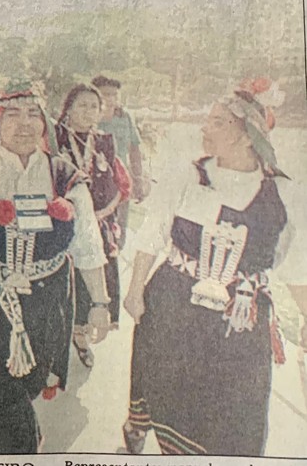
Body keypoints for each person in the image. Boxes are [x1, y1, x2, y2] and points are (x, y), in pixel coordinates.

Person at [122, 78, 307, 455]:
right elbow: (152, 234)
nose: (205, 128)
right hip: (174, 304)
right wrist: (135, 290)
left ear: (248, 134)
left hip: (240, 315)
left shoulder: (285, 192)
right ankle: (150, 435)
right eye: (207, 120)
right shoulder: (187, 175)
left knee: (238, 411)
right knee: (172, 394)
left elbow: (296, 267)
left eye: (218, 121)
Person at [0, 80, 111, 453]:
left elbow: (89, 247)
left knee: (29, 384)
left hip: (47, 303)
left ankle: (24, 434)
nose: (24, 123)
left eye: (32, 114)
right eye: (12, 114)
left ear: (45, 124)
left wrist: (100, 303)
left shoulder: (67, 179)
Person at [55, 83, 129, 368]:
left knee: (95, 277)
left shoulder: (104, 142)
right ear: (68, 108)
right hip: (62, 222)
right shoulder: (55, 137)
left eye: (94, 107)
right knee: (66, 280)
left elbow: (116, 184)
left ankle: (82, 336)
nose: (88, 111)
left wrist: (105, 213)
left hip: (99, 221)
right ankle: (60, 334)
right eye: (82, 105)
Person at [91, 75, 144, 247]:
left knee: (120, 229)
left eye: (115, 94)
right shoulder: (90, 118)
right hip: (97, 182)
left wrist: (138, 179)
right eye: (106, 94)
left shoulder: (124, 117)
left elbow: (134, 149)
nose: (111, 99)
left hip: (122, 182)